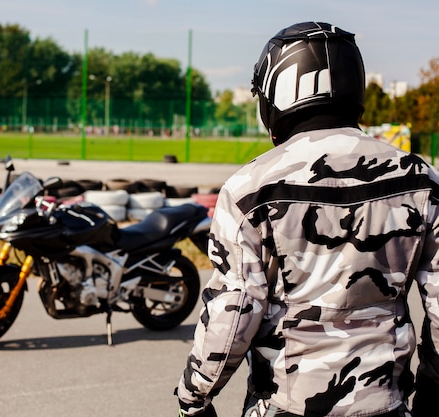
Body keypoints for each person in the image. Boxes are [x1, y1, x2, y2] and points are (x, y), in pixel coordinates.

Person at [176, 21, 439, 417]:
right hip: (387, 404)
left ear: (280, 90)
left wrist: (193, 396)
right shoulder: (420, 179)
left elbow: (234, 311)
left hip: (287, 404)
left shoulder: (251, 187)